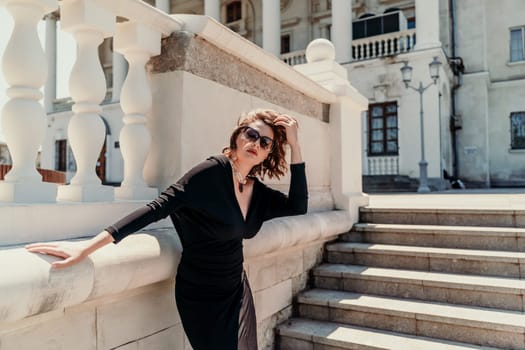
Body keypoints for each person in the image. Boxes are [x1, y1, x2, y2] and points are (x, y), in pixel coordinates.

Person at [26, 109, 308, 350]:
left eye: (265, 142)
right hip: (201, 294)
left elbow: (298, 205)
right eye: (250, 133)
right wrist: (86, 247)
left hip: (236, 290)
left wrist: (295, 146)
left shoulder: (256, 192)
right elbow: (156, 208)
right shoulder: (211, 171)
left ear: (268, 153)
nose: (255, 143)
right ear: (236, 136)